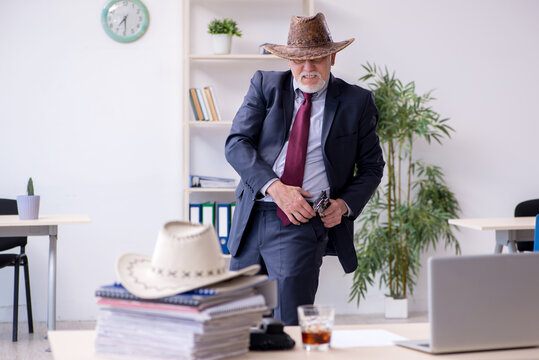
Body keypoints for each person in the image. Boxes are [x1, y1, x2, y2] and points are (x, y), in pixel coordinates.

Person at [224, 12, 384, 325]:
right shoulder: (265, 85)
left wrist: (343, 204)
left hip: (301, 221)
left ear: (333, 58)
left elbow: (371, 167)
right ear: (288, 61)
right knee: (237, 321)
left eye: (318, 60)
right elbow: (236, 144)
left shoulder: (357, 102)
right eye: (300, 61)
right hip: (251, 217)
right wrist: (275, 187)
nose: (308, 69)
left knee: (288, 325)